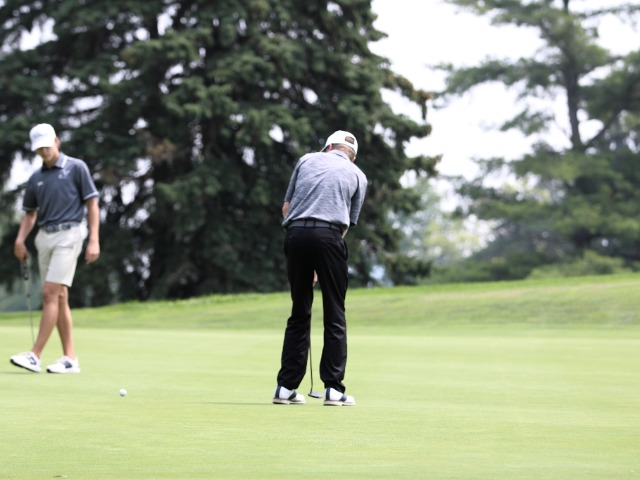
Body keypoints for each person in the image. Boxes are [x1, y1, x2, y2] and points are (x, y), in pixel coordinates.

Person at [273, 130, 367, 406]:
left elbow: (287, 207)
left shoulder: (306, 160)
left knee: (299, 311)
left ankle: (285, 388)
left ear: (327, 147)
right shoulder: (358, 175)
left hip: (295, 235)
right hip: (329, 237)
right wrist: (322, 254)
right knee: (335, 312)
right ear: (353, 156)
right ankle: (333, 389)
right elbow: (346, 222)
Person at [10, 123, 100, 374]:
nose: (44, 151)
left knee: (49, 293)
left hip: (69, 235)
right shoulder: (36, 178)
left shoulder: (76, 167)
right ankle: (70, 358)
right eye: (39, 148)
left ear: (57, 141)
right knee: (59, 297)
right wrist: (20, 240)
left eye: (47, 146)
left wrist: (94, 239)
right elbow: (30, 214)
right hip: (44, 237)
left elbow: (92, 203)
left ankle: (35, 355)